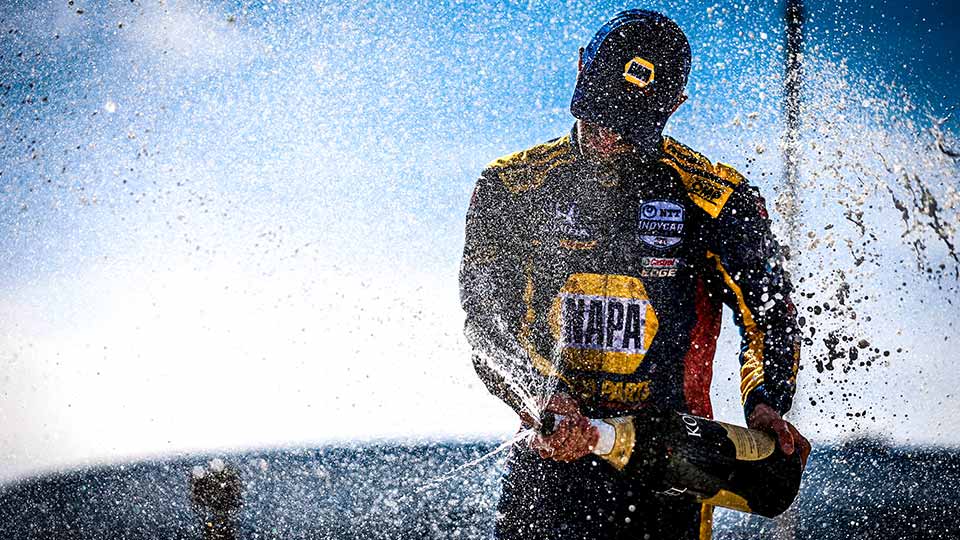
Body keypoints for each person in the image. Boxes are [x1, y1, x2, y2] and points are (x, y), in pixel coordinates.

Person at [459, 9, 810, 540]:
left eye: (627, 125)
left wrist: (766, 402)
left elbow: (769, 310)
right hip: (549, 451)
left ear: (674, 106)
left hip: (669, 459)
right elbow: (484, 323)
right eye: (596, 112)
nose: (607, 134)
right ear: (580, 69)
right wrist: (541, 395)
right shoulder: (509, 188)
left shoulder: (717, 199)